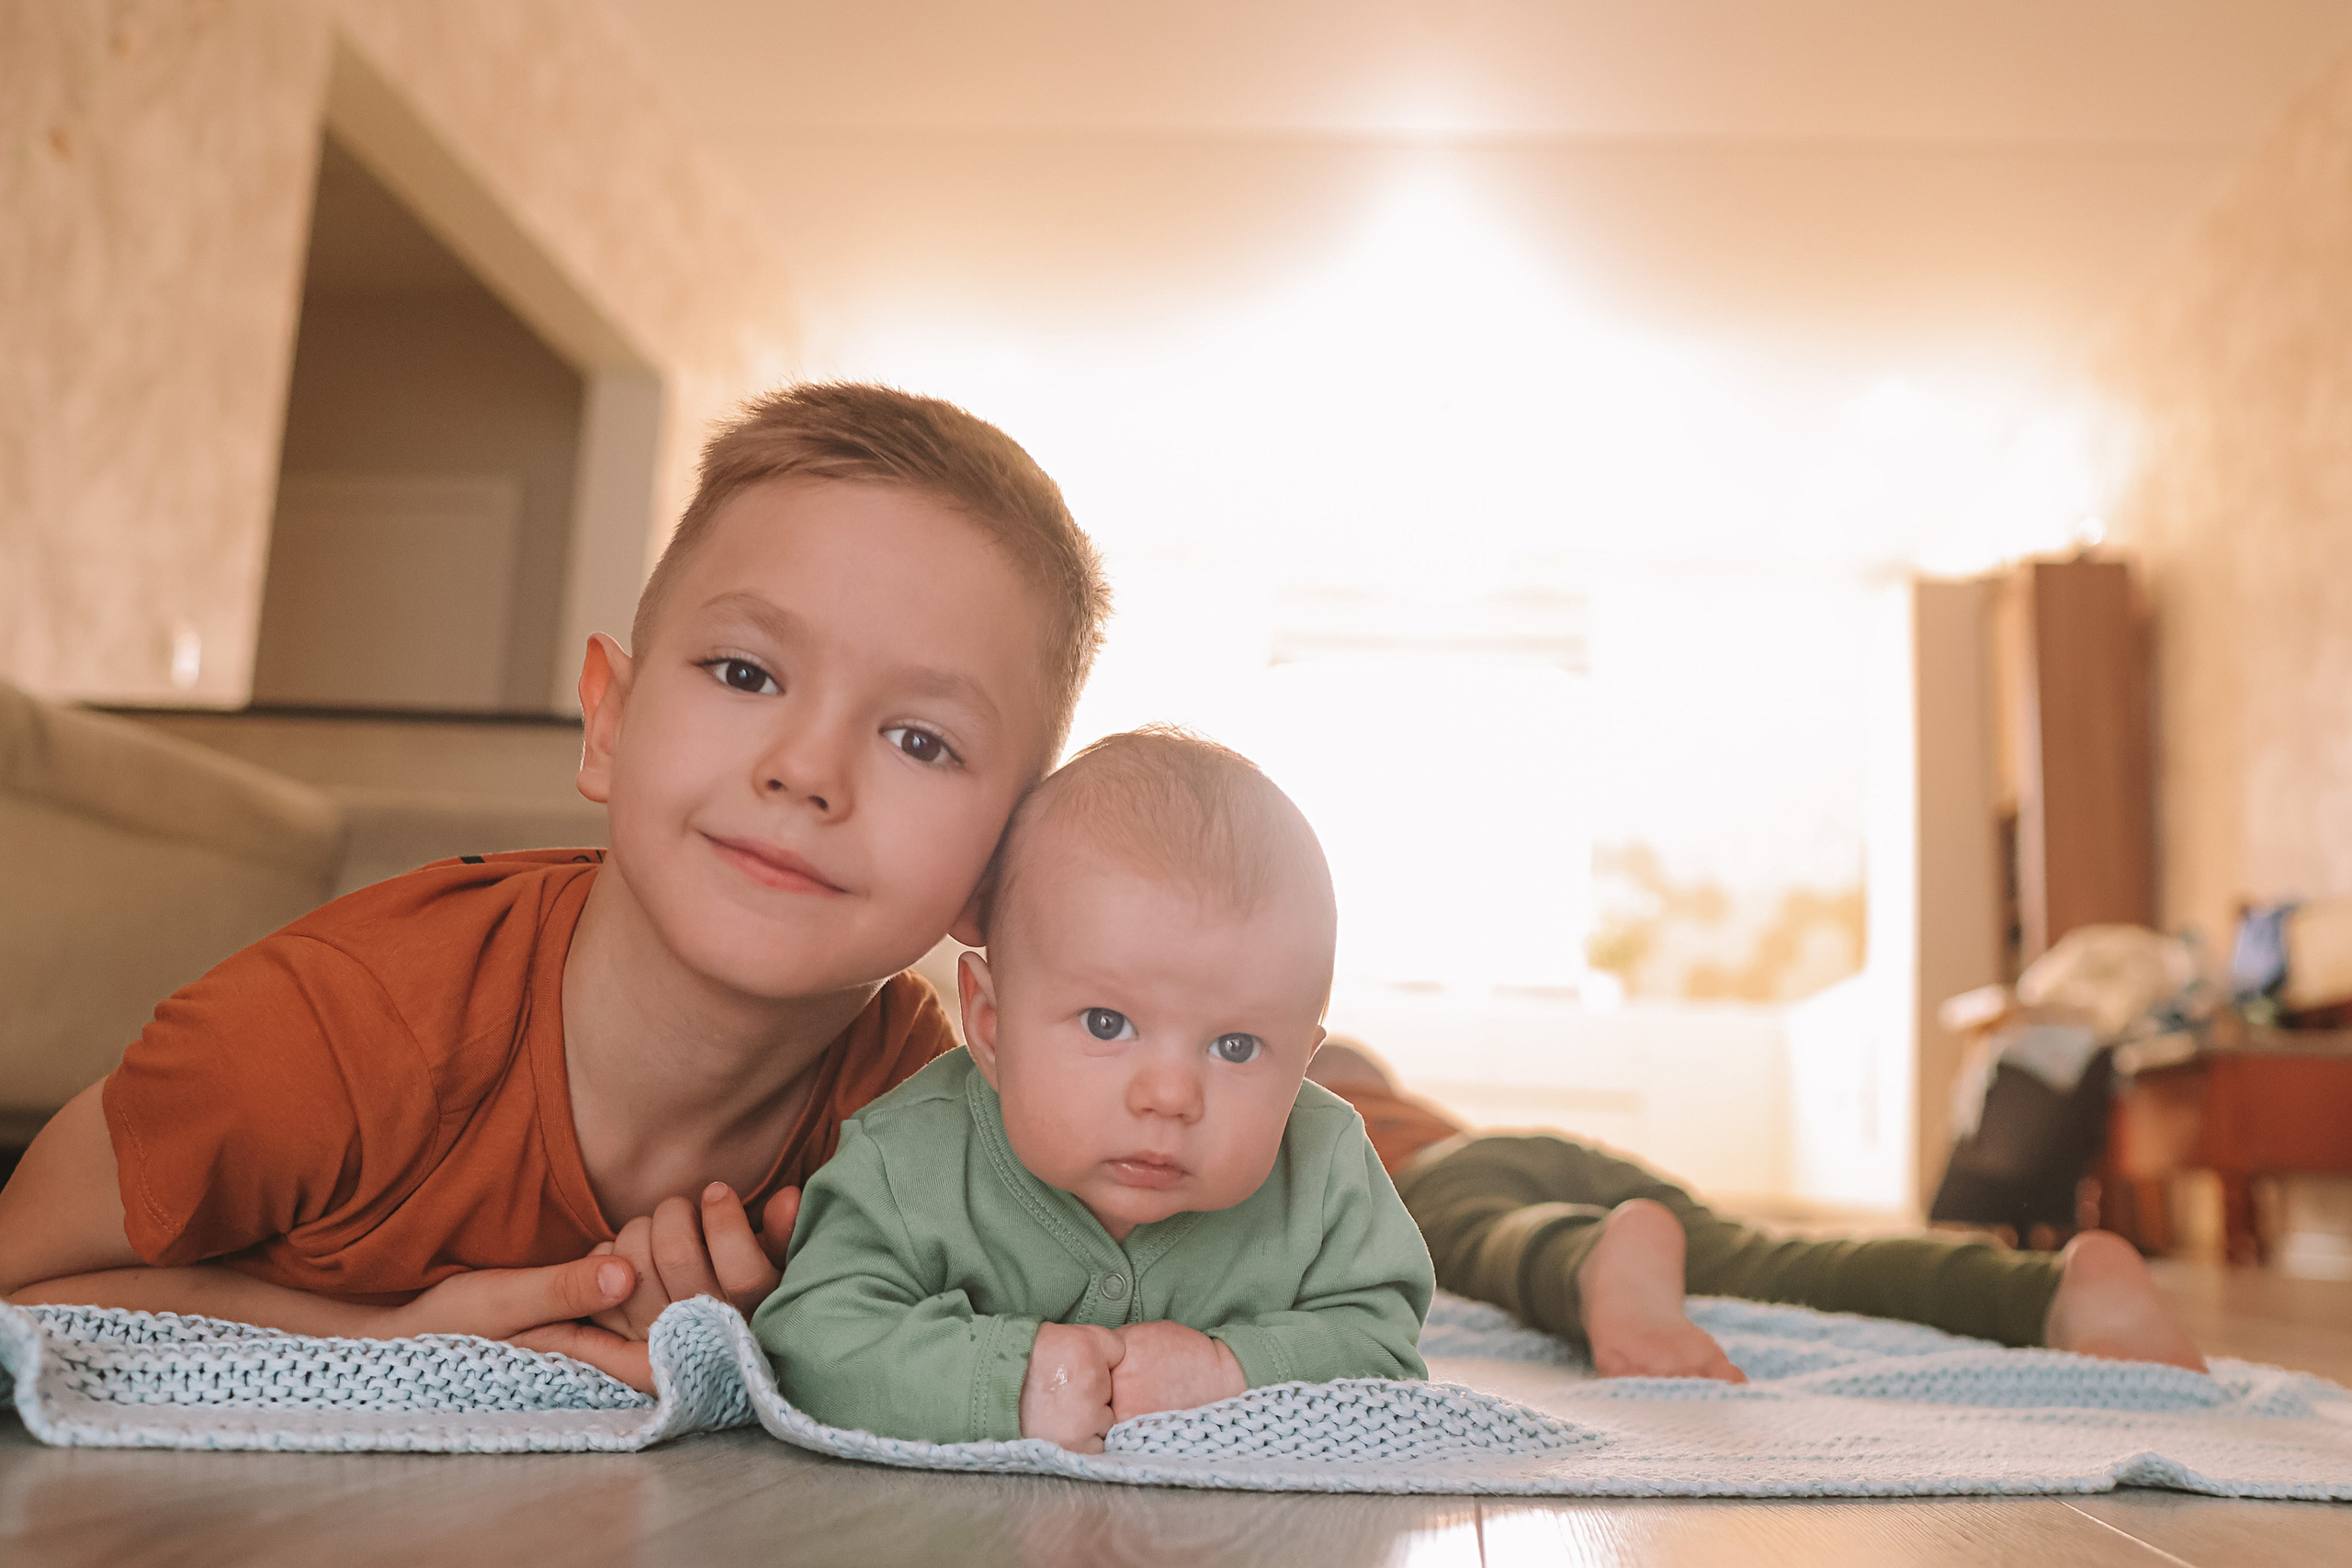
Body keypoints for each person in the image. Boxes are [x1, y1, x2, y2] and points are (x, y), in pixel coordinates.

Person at [0, 384, 1112, 1393]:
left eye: (920, 740)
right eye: (743, 672)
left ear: (1005, 869)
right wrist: (393, 1342)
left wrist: (787, 1333)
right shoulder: (326, 1038)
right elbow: (17, 1286)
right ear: (611, 725)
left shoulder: (931, 1118)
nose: (807, 771)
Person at [754, 728, 1432, 1450]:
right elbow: (812, 1340)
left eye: (1236, 1046)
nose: (1169, 1095)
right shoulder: (905, 1157)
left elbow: (1384, 1353)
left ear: (1302, 1062)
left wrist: (1233, 1375)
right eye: (1107, 1024)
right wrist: (1009, 1383)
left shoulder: (1325, 1167)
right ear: (990, 1024)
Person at [1307, 1043, 2209, 1379]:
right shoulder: (1423, 1111)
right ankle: (2052, 1291)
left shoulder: (1322, 1130)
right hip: (1560, 1152)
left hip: (1455, 1177)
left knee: (1471, 1244)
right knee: (1771, 1262)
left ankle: (1589, 1262)